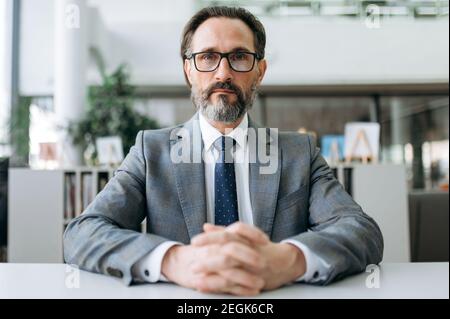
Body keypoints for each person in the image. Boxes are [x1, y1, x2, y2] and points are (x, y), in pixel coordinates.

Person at [64, 6, 383, 296]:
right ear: (188, 70)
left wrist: (288, 260)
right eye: (207, 57)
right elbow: (83, 233)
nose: (223, 73)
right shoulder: (152, 151)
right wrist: (174, 261)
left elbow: (361, 232)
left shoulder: (298, 152)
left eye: (240, 57)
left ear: (260, 71)